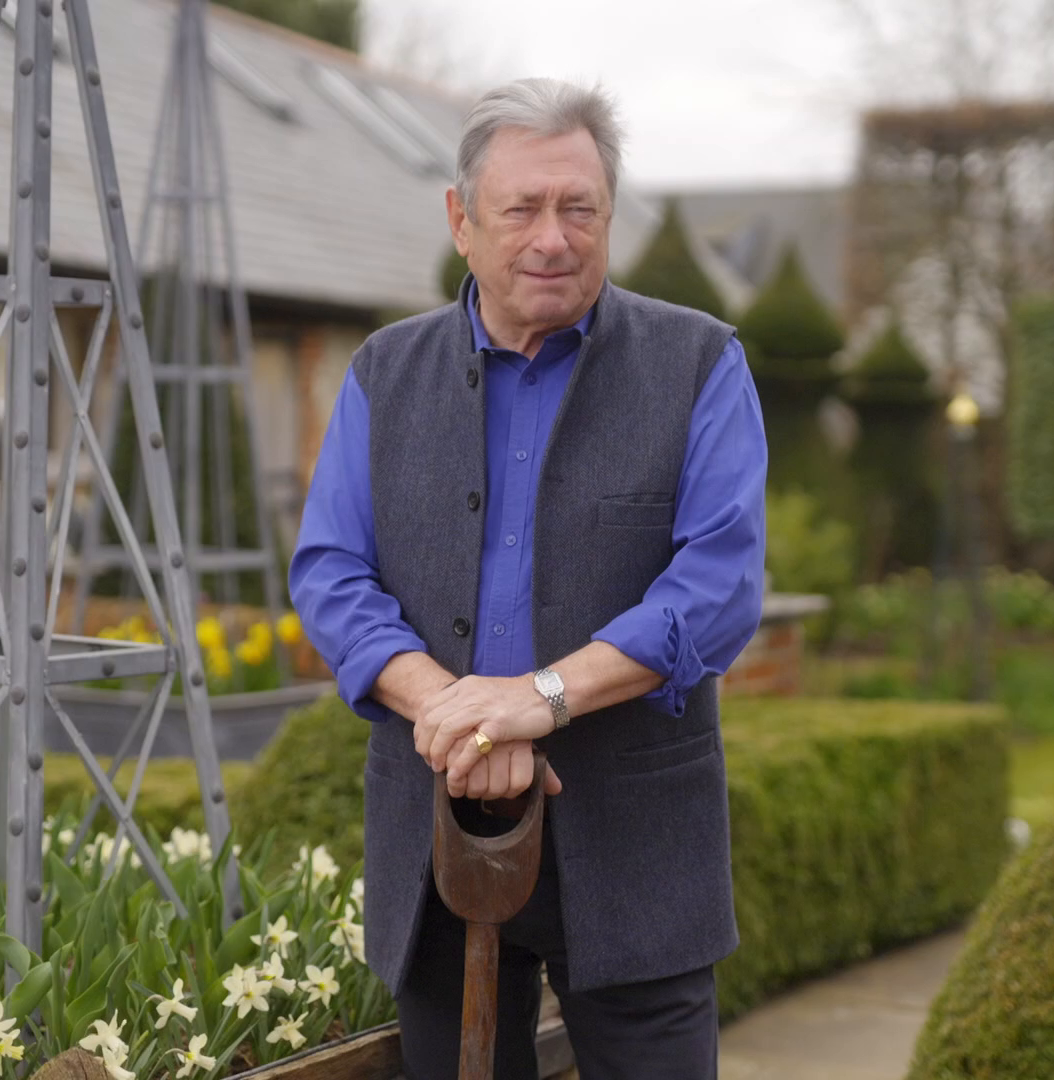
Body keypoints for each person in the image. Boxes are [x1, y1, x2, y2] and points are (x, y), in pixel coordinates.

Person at [288, 77, 767, 1080]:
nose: (554, 238)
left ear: (610, 215)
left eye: (579, 208)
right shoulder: (383, 371)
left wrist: (536, 700)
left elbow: (717, 586)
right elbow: (332, 573)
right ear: (462, 221)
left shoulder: (699, 364)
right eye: (522, 209)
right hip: (438, 836)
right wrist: (455, 713)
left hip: (641, 855)